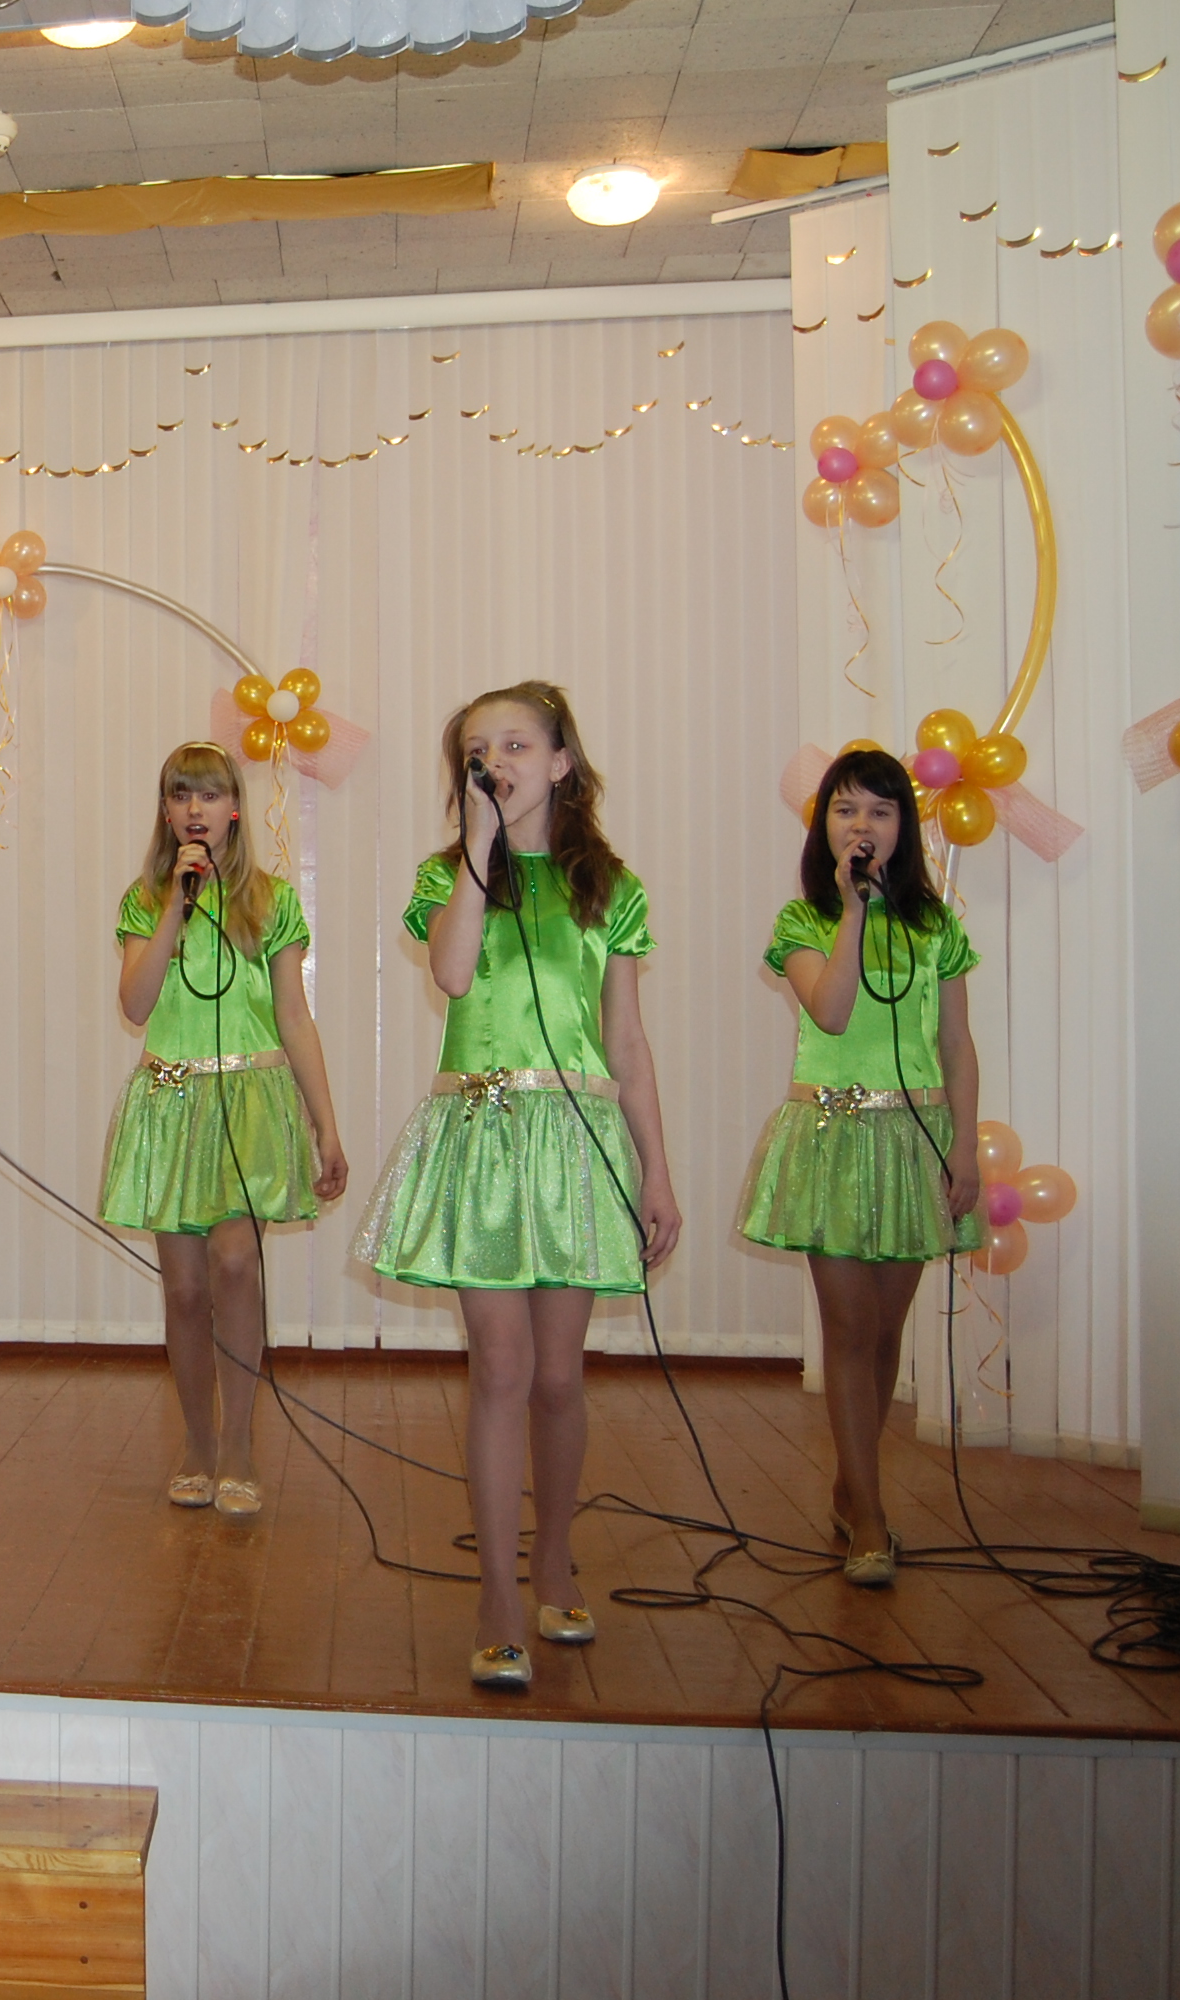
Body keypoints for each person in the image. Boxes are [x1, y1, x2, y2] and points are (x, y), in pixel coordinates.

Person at [356, 683, 680, 1690]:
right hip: (483, 1132)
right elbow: (453, 974)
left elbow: (626, 1041)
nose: (495, 760)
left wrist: (656, 1171)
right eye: (477, 749)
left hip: (575, 1138)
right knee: (498, 1367)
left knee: (557, 1376)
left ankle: (554, 1560)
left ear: (560, 761)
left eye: (516, 744)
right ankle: (497, 1593)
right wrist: (478, 848)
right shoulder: (445, 873)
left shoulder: (609, 887)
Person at [739, 747, 982, 1587]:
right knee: (847, 1329)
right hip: (833, 1138)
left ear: (903, 827)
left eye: (880, 810)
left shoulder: (938, 926)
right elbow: (834, 1012)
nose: (862, 824)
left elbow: (957, 1044)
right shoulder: (803, 922)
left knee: (884, 1332)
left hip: (916, 1140)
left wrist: (964, 1144)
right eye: (845, 809)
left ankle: (853, 1487)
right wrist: (853, 912)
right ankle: (870, 1518)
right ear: (825, 827)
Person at [102, 741, 347, 1515]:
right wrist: (175, 907)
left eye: (208, 794)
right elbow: (135, 1004)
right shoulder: (147, 899)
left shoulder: (272, 901)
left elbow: (294, 1017)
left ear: (234, 808)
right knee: (184, 1290)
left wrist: (326, 1127)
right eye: (181, 795)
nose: (195, 809)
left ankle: (239, 1445)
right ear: (166, 810)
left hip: (250, 1102)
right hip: (172, 1101)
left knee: (236, 1264)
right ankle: (197, 1446)